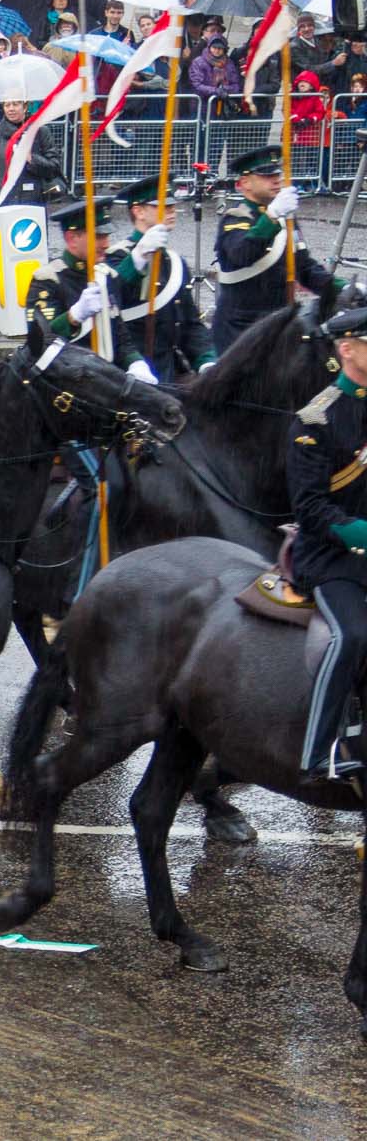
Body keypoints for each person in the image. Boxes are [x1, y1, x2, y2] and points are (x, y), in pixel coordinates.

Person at [285, 304, 367, 784]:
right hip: (333, 558)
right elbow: (311, 510)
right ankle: (319, 752)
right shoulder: (315, 420)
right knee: (353, 634)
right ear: (347, 348)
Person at [213, 144, 342, 354]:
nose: (276, 179)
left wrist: (341, 288)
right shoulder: (236, 219)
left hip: (279, 324)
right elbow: (242, 254)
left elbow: (305, 268)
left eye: (277, 173)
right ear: (244, 182)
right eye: (266, 175)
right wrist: (272, 216)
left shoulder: (285, 218)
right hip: (241, 330)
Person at [104, 173, 215, 381]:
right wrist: (138, 257)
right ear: (138, 211)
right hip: (129, 374)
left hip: (169, 370)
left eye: (172, 205)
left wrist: (207, 360)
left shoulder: (174, 262)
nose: (172, 210)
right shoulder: (116, 257)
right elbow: (111, 294)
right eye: (162, 206)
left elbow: (190, 322)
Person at [24, 194, 150, 377]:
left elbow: (120, 336)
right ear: (72, 238)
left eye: (107, 236)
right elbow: (40, 341)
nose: (106, 244)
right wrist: (73, 317)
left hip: (107, 379)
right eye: (98, 236)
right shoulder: (48, 279)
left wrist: (136, 363)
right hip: (65, 379)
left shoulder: (106, 276)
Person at [0, 97, 65, 207]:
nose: (11, 109)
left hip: (33, 200)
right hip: (1, 200)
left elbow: (54, 167)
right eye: (7, 105)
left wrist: (32, 159)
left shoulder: (41, 131)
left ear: (25, 107)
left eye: (15, 104)